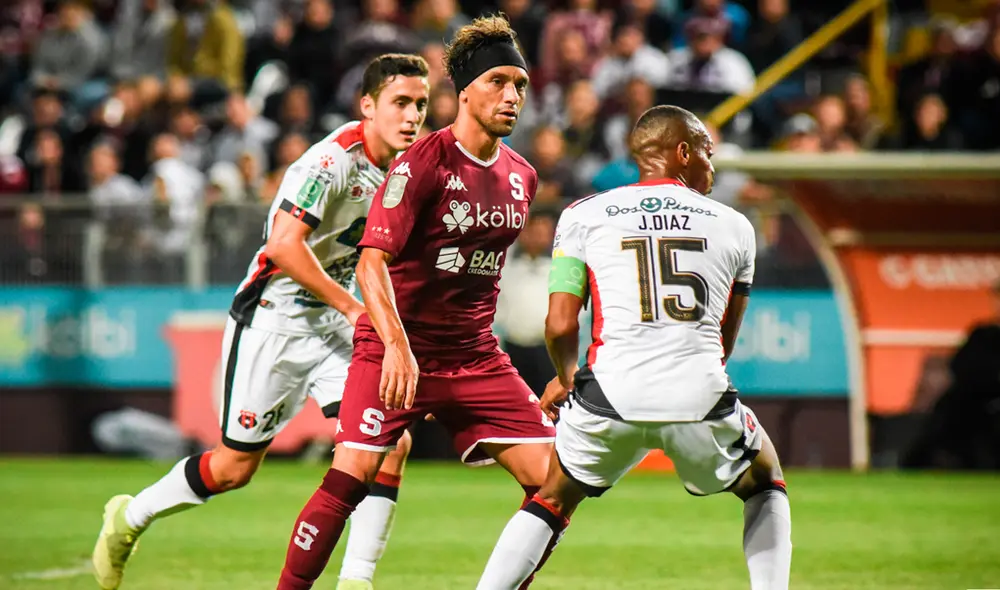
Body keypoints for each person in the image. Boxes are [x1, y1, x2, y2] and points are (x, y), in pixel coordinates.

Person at [91, 54, 432, 590]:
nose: (412, 115)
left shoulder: (412, 169)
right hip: (275, 319)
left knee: (390, 439)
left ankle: (356, 580)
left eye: (420, 104)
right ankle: (129, 517)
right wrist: (353, 308)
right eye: (400, 103)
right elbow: (283, 246)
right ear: (367, 106)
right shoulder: (329, 163)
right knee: (232, 470)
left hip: (340, 326)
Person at [275, 15, 556, 590]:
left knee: (558, 482)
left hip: (474, 356)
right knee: (350, 477)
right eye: (499, 81)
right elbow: (371, 261)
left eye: (520, 85)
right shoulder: (421, 164)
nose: (512, 96)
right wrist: (399, 348)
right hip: (394, 350)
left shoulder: (522, 176)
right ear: (464, 90)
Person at [476, 105, 793, 589]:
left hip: (607, 394)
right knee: (766, 482)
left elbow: (560, 323)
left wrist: (566, 380)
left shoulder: (582, 215)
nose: (712, 164)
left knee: (551, 498)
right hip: (698, 396)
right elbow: (722, 341)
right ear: (683, 153)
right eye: (707, 152)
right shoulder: (736, 226)